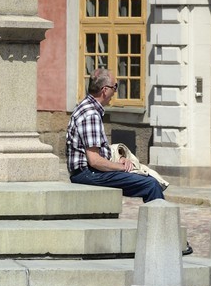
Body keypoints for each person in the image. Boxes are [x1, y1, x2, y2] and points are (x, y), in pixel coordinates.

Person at [65, 69, 166, 202]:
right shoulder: (91, 114)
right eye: (115, 87)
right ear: (105, 90)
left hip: (88, 172)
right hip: (88, 174)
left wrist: (118, 160)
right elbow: (94, 161)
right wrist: (122, 168)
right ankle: (159, 215)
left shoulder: (86, 106)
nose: (115, 92)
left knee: (148, 180)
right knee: (151, 184)